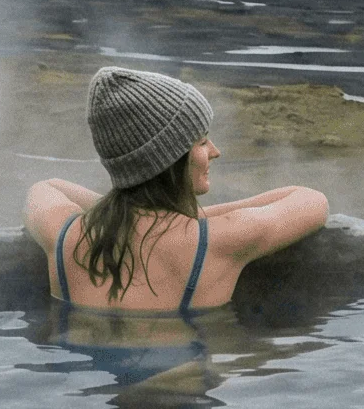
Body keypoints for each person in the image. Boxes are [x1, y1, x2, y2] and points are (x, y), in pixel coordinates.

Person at [26, 66, 328, 317]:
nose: (215, 152)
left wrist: (126, 211)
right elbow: (311, 200)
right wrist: (197, 217)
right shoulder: (219, 240)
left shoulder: (62, 235)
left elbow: (47, 186)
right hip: (184, 381)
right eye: (201, 142)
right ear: (169, 159)